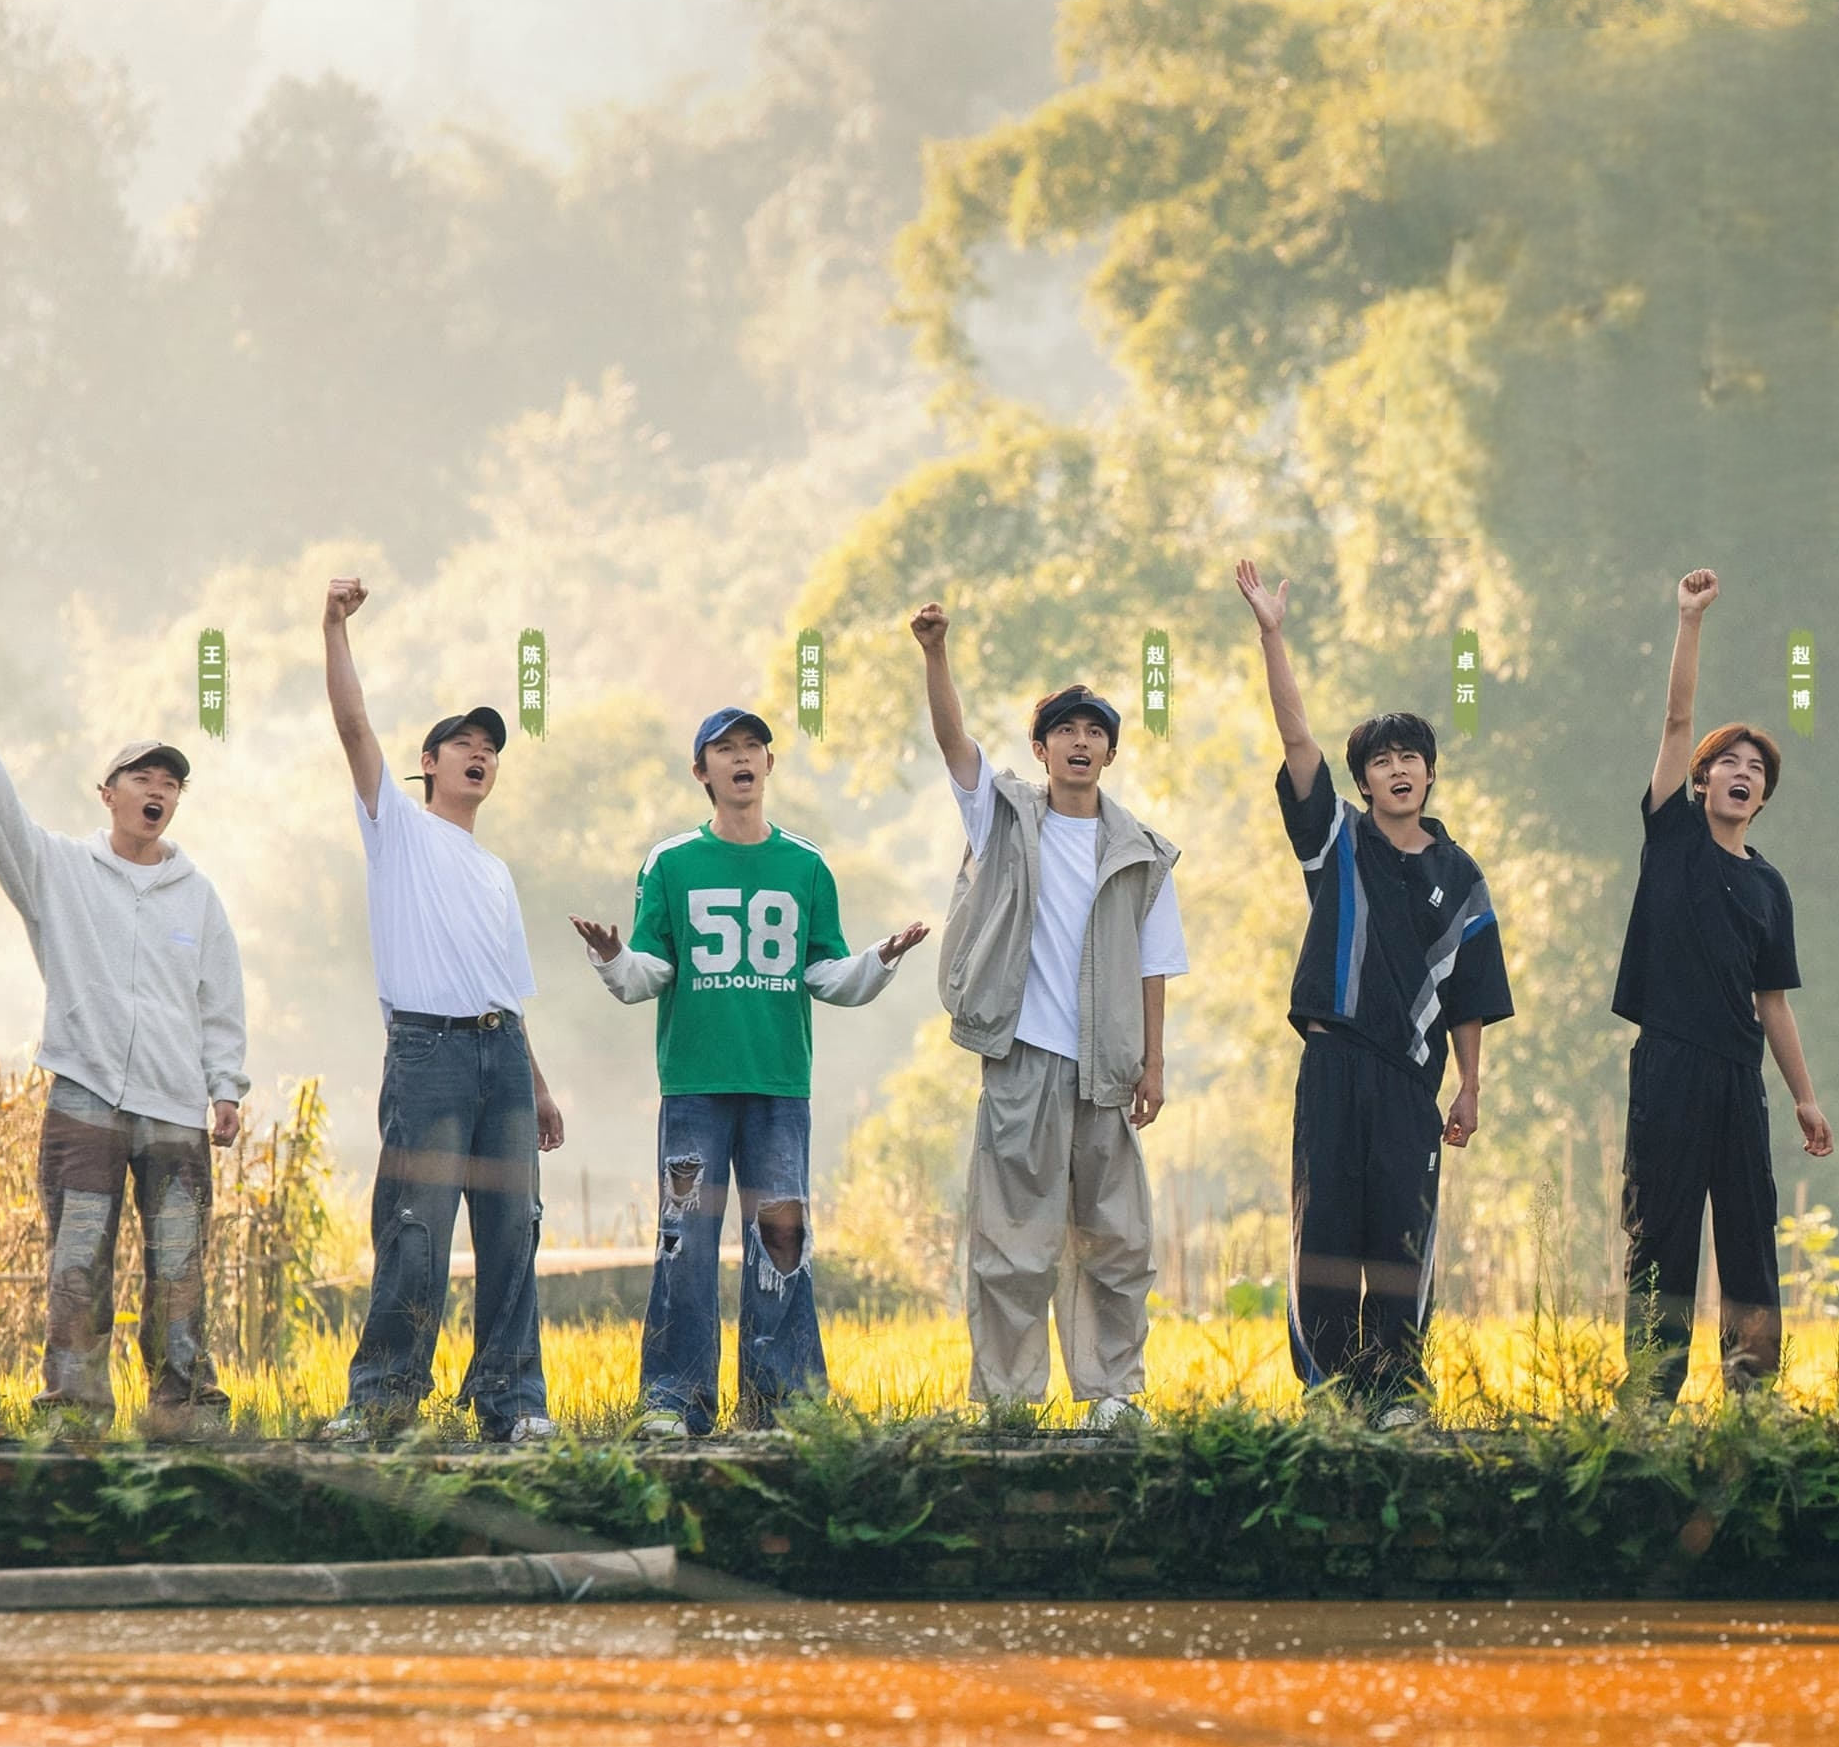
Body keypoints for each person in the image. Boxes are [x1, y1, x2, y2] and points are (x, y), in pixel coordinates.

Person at [574, 707, 929, 1435]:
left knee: (783, 1241)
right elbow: (650, 973)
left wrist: (881, 960)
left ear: (770, 765)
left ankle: (784, 1404)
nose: (742, 759)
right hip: (695, 1083)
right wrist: (612, 957)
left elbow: (827, 976)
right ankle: (675, 1402)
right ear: (701, 771)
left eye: (754, 748)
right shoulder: (671, 863)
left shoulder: (806, 865)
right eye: (724, 749)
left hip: (778, 1085)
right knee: (684, 1241)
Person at [1237, 559, 1513, 1427]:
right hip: (1332, 1060)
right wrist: (1272, 635)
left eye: (1411, 758)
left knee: (1402, 1231)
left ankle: (1397, 1391)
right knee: (1325, 1230)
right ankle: (1326, 1389)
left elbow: (1470, 992)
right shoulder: (1338, 844)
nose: (1397, 770)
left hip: (1411, 1078)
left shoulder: (1460, 875)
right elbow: (1295, 738)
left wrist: (1469, 1085)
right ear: (1362, 781)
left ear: (1430, 774)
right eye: (1382, 760)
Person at [0, 686, 247, 1437]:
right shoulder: (61, 870)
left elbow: (220, 998)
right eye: (142, 778)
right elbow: (3, 829)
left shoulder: (196, 895)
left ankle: (183, 1407)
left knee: (179, 1262)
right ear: (108, 794)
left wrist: (226, 1086)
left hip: (176, 1105)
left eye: (170, 783)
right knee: (78, 1256)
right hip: (87, 1097)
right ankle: (75, 1409)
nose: (157, 791)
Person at [916, 604, 1187, 1425]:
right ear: (1041, 749)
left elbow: (1155, 961)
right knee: (1011, 1243)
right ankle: (1008, 1402)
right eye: (1062, 730)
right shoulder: (1004, 816)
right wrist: (937, 654)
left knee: (1116, 1242)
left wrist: (1153, 1063)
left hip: (1108, 1069)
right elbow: (954, 744)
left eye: (1093, 731)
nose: (1079, 742)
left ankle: (1110, 1396)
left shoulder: (1141, 849)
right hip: (1024, 1058)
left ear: (1109, 750)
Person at [319, 575, 562, 1444]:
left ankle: (511, 1403)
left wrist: (536, 1085)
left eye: (490, 748)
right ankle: (383, 1400)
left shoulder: (495, 873)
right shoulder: (398, 827)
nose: (479, 754)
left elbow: (506, 984)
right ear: (429, 764)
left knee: (512, 1231)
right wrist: (334, 627)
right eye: (461, 743)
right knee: (416, 1228)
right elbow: (353, 724)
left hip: (502, 1055)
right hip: (428, 1056)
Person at [1611, 566, 1833, 1407]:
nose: (1741, 773)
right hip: (1669, 1064)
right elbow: (1676, 719)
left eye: (1755, 769)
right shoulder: (1671, 837)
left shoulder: (1770, 887)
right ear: (1701, 780)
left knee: (1748, 1240)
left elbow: (1773, 1001)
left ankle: (1750, 1395)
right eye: (1726, 763)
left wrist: (1805, 1098)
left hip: (1741, 1082)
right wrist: (1689, 621)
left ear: (1764, 796)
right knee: (1660, 1235)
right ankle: (1649, 1398)